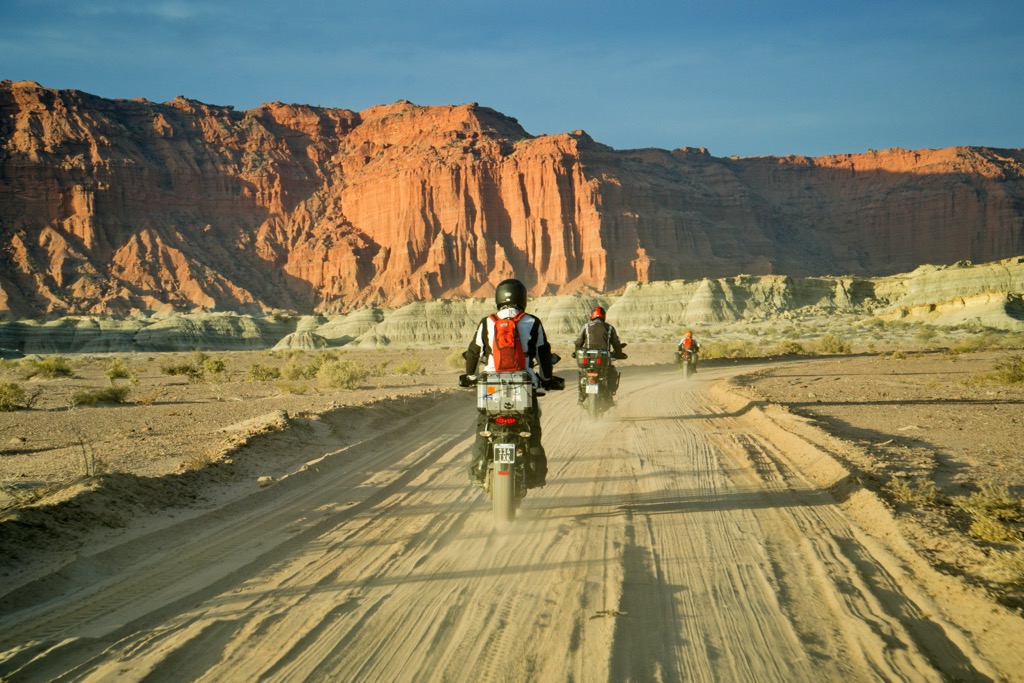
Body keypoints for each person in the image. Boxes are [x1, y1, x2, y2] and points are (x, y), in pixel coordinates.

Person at [461, 278, 562, 488]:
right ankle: (535, 475)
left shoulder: (487, 322)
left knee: (483, 425)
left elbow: (473, 352)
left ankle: (478, 469)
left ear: (498, 298)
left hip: (491, 384)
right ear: (522, 299)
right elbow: (543, 354)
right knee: (532, 429)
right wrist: (547, 379)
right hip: (524, 385)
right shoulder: (533, 322)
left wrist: (470, 376)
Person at [573, 305, 627, 404]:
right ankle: (609, 395)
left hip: (587, 357)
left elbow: (578, 341)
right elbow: (615, 342)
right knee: (611, 372)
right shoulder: (610, 328)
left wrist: (576, 352)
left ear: (592, 315)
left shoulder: (586, 326)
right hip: (603, 357)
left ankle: (581, 395)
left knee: (582, 373)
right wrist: (619, 353)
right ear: (604, 316)